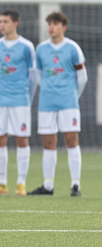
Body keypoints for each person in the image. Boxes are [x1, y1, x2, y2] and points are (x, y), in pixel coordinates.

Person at [30, 12, 87, 197]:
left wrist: (72, 96)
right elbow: (38, 75)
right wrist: (48, 89)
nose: (51, 27)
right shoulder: (41, 49)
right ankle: (48, 186)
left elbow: (83, 78)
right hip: (47, 103)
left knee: (71, 140)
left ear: (64, 27)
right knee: (48, 142)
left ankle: (75, 185)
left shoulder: (73, 48)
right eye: (49, 24)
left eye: (55, 24)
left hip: (68, 103)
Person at [0, 10, 37, 196]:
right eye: (0, 21)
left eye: (5, 21)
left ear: (15, 23)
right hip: (0, 101)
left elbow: (32, 77)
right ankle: (1, 183)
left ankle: (21, 183)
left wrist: (27, 99)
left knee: (21, 139)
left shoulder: (27, 46)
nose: (2, 25)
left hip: (20, 100)